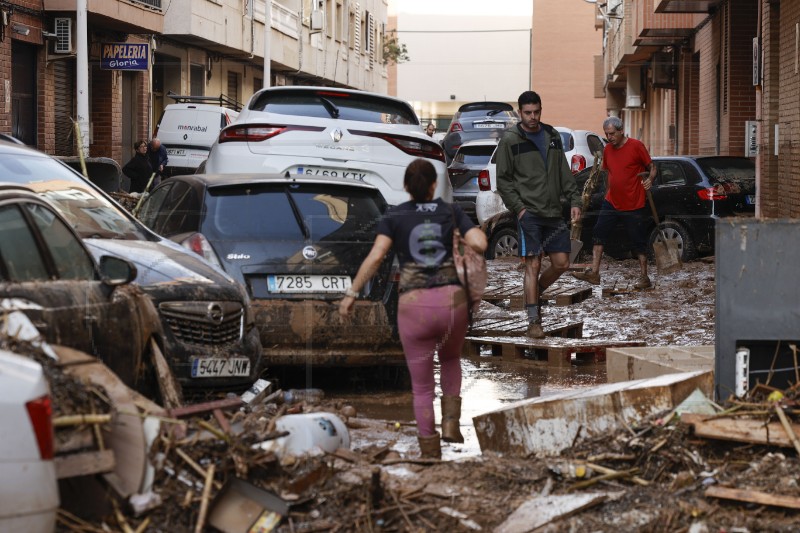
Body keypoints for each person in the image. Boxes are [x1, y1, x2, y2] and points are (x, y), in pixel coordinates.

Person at [339, 158, 487, 459]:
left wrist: (352, 293)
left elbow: (376, 256)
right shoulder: (451, 211)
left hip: (413, 306)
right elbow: (481, 244)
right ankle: (449, 422)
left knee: (421, 387)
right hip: (452, 304)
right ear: (434, 186)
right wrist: (461, 237)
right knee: (449, 360)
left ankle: (429, 450)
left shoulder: (395, 215)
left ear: (406, 187)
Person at [495, 90, 581, 339]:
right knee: (532, 264)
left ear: (541, 110)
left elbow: (564, 171)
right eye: (527, 113)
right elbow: (503, 181)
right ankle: (534, 321)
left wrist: (575, 199)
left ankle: (535, 292)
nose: (533, 117)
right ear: (520, 113)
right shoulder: (510, 140)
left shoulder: (552, 136)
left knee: (562, 263)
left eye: (536, 112)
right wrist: (519, 209)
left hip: (553, 211)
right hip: (528, 213)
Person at [572, 116, 656, 289]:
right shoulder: (608, 150)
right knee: (598, 233)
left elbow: (652, 167)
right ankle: (594, 273)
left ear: (621, 130)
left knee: (638, 240)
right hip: (611, 202)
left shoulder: (636, 146)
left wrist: (651, 179)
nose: (609, 137)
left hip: (634, 203)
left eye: (612, 134)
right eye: (606, 134)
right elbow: (609, 174)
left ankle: (644, 277)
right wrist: (606, 194)